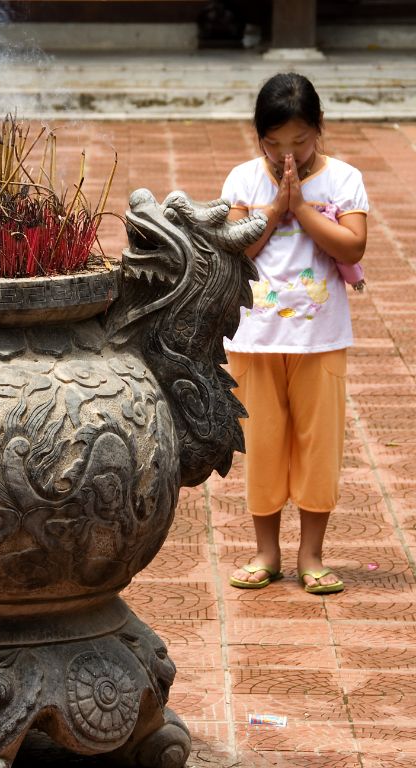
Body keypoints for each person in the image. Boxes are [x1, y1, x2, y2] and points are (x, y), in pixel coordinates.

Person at [221, 72, 368, 595]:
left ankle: (312, 554)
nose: (290, 153)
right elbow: (236, 249)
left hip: (319, 339)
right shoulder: (242, 180)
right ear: (257, 136)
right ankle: (267, 551)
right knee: (262, 444)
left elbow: (352, 247)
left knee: (317, 446)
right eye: (274, 143)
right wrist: (276, 207)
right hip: (255, 339)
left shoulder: (344, 178)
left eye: (301, 141)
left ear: (319, 129)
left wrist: (302, 207)